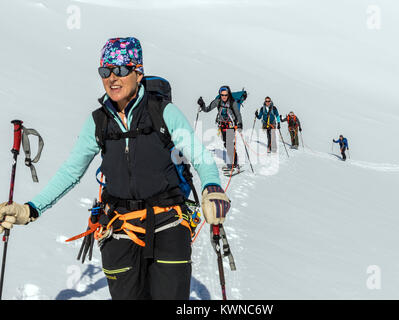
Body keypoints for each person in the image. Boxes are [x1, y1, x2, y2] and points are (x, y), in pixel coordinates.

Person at [0, 37, 231, 300]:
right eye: (105, 71)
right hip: (119, 228)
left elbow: (199, 155)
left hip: (168, 222)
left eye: (121, 69)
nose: (112, 78)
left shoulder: (163, 112)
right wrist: (31, 209)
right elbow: (71, 172)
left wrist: (212, 187)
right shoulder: (97, 122)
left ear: (138, 72)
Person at [197, 86, 243, 171]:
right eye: (222, 95)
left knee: (229, 144)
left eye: (226, 95)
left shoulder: (233, 103)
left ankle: (232, 164)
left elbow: (238, 114)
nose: (224, 97)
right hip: (222, 126)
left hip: (230, 125)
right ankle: (235, 163)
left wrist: (240, 124)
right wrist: (202, 104)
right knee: (227, 143)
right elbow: (207, 109)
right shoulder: (217, 101)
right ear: (220, 94)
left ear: (228, 94)